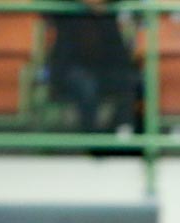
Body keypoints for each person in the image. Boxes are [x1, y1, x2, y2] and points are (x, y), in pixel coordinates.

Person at [48, 0, 136, 132]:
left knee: (131, 80)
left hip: (107, 63)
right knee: (86, 85)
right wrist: (86, 3)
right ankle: (92, 140)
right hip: (71, 66)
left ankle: (117, 134)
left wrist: (100, 3)